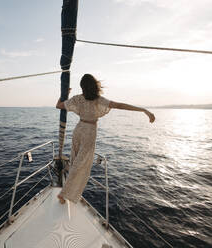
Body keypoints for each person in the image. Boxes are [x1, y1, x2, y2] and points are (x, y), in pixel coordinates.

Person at [55, 74, 155, 204]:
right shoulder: (98, 100)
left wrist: (65, 94)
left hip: (79, 129)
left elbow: (58, 105)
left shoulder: (77, 99)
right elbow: (120, 105)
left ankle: (70, 193)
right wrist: (143, 110)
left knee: (76, 162)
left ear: (82, 87)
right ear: (95, 85)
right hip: (89, 131)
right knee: (81, 164)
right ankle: (64, 194)